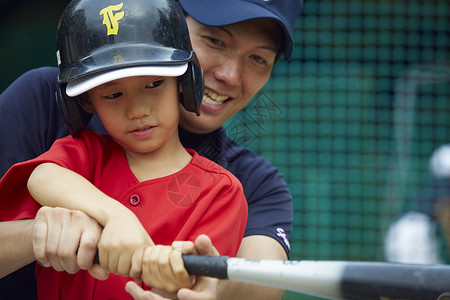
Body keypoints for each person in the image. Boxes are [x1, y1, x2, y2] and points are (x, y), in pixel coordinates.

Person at [0, 0, 304, 299]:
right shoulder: (72, 134)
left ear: (186, 79)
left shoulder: (235, 186)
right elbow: (43, 175)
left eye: (258, 59)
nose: (230, 75)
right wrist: (71, 226)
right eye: (215, 40)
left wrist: (192, 285)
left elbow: (260, 282)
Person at [384, 144, 450, 265]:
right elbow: (446, 218)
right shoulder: (445, 191)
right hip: (418, 235)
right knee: (428, 279)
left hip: (398, 230)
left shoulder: (433, 187)